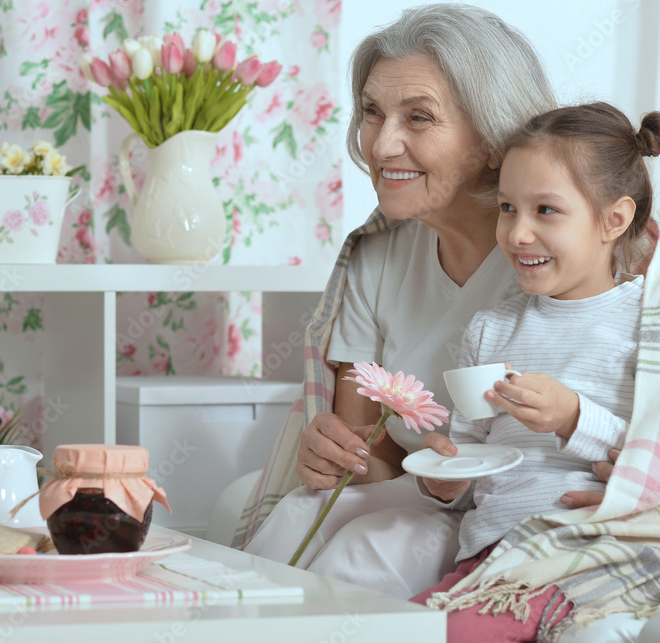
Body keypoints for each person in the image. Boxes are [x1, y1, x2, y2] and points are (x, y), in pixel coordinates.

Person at [239, 4, 568, 598]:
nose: (382, 144)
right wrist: (331, 451)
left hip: (520, 504)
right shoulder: (376, 255)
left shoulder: (563, 247)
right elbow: (374, 455)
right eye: (371, 112)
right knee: (295, 513)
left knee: (371, 550)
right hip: (427, 493)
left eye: (419, 118)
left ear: (496, 139)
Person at [411, 102, 660, 643]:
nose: (518, 233)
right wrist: (442, 476)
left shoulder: (652, 325)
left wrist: (575, 418)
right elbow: (470, 462)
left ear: (613, 220)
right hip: (491, 556)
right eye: (507, 208)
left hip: (579, 555)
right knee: (398, 635)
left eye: (546, 210)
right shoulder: (490, 330)